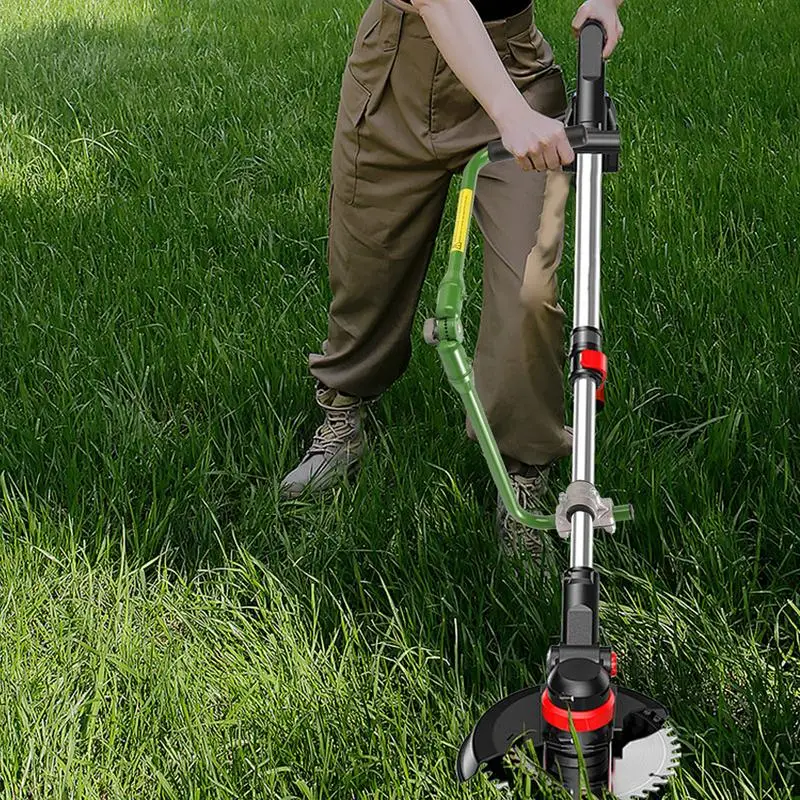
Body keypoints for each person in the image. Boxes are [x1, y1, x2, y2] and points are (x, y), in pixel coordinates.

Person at [280, 0, 623, 557]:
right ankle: (343, 414)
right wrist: (509, 116)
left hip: (514, 68)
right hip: (395, 70)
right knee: (367, 264)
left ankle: (521, 475)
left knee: (529, 290)